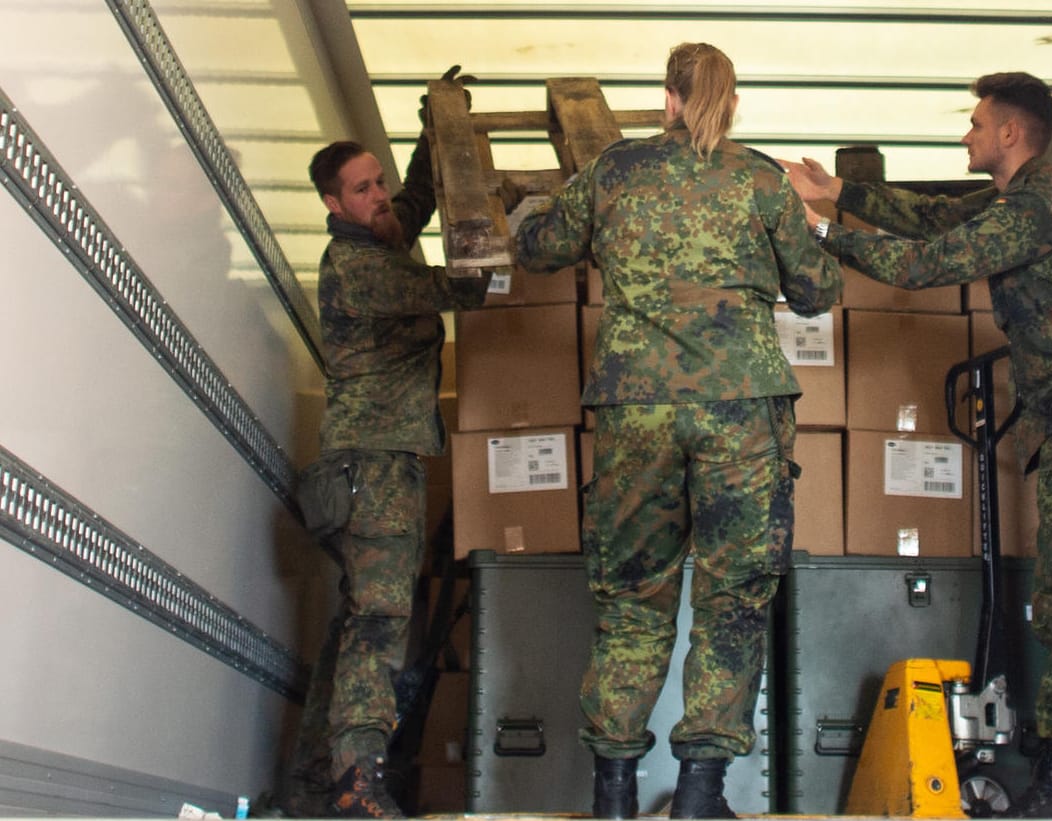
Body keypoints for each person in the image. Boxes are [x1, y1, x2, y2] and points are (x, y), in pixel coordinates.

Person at [784, 72, 1052, 818]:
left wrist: (818, 229)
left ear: (1011, 133)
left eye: (977, 125)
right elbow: (930, 219)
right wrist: (837, 191)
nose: (965, 135)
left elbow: (926, 266)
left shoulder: (1038, 208)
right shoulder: (1014, 202)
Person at [514, 42, 842, 820]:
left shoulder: (613, 173)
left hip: (636, 407)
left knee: (632, 595)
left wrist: (536, 209)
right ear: (730, 106)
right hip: (741, 411)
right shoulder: (760, 178)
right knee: (731, 597)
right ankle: (698, 799)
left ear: (665, 97)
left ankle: (615, 798)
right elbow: (816, 290)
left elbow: (537, 251)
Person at [282, 68, 491, 819]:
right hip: (371, 468)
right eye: (362, 190)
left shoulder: (383, 234)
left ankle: (312, 782)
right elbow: (463, 287)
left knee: (353, 624)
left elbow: (418, 196)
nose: (378, 197)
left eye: (377, 181)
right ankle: (357, 781)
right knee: (379, 623)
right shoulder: (358, 270)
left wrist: (435, 119)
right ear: (333, 205)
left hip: (374, 466)